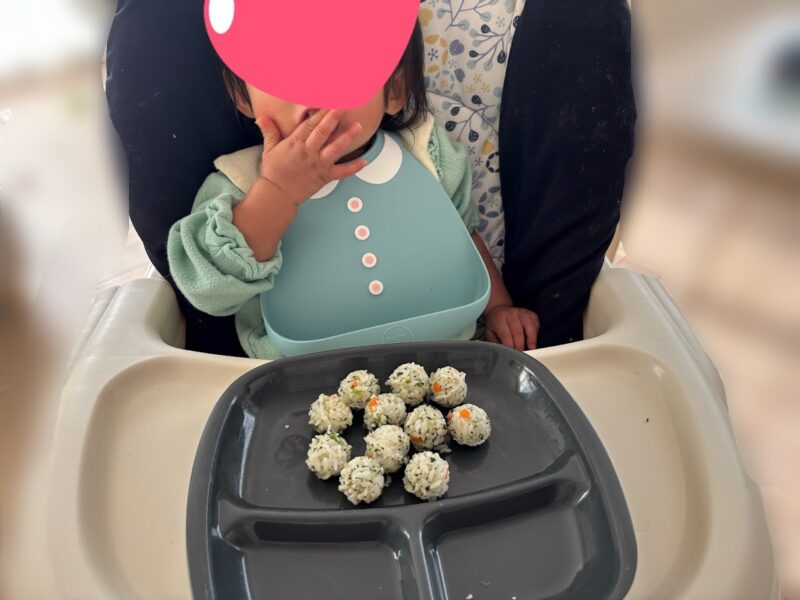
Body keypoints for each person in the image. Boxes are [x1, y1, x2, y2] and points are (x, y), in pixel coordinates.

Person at [166, 21, 540, 359]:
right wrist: (277, 191)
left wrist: (498, 309)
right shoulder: (236, 185)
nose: (310, 93)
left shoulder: (430, 155)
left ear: (394, 89)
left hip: (447, 360)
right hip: (299, 384)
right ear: (243, 95)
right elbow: (206, 290)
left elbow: (463, 237)